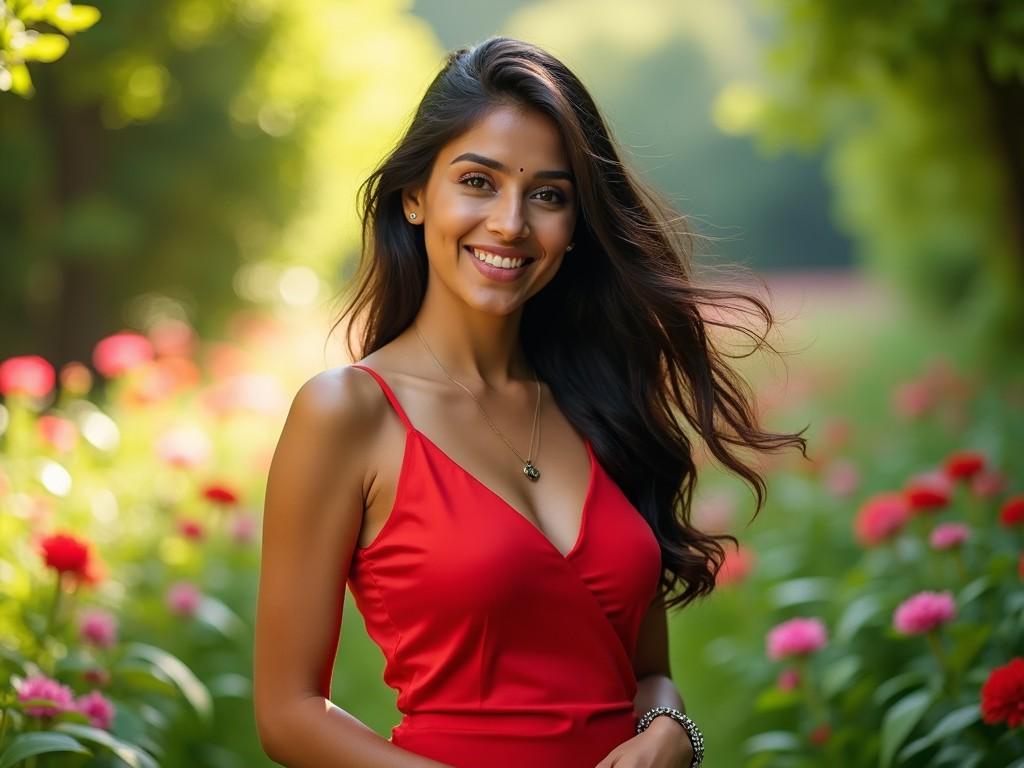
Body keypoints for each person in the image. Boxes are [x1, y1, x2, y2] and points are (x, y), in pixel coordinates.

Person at [253, 36, 807, 768]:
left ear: (575, 227)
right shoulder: (349, 413)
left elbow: (645, 672)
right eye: (478, 182)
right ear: (415, 197)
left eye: (548, 195)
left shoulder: (604, 403)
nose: (511, 223)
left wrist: (672, 731)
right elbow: (288, 713)